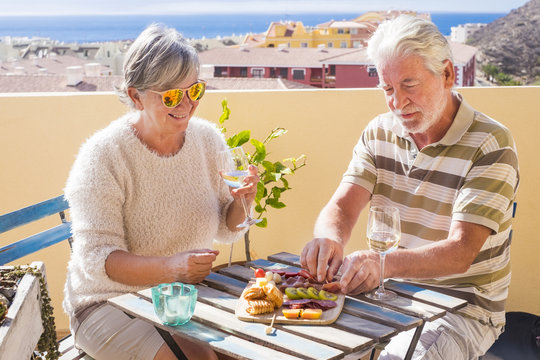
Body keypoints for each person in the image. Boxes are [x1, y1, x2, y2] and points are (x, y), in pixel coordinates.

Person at [300, 15, 519, 360]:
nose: (397, 103)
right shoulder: (379, 132)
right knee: (305, 346)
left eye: (409, 84)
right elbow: (342, 207)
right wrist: (329, 239)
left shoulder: (491, 143)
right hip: (388, 292)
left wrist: (382, 264)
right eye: (387, 89)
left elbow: (461, 251)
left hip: (463, 308)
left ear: (447, 74)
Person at [63, 23, 257, 360]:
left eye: (194, 91)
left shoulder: (208, 140)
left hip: (181, 296)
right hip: (107, 304)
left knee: (252, 350)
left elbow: (228, 228)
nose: (185, 104)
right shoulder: (104, 155)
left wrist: (245, 200)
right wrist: (172, 268)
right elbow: (97, 260)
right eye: (170, 95)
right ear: (136, 95)